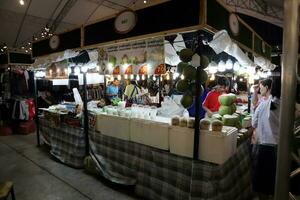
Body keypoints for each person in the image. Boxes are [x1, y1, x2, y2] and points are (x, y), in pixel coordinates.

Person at [251, 78, 279, 200]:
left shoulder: (263, 105)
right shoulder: (284, 104)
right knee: (275, 181)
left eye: (261, 88)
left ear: (268, 88)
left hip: (265, 148)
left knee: (262, 184)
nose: (260, 90)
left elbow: (254, 123)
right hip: (280, 148)